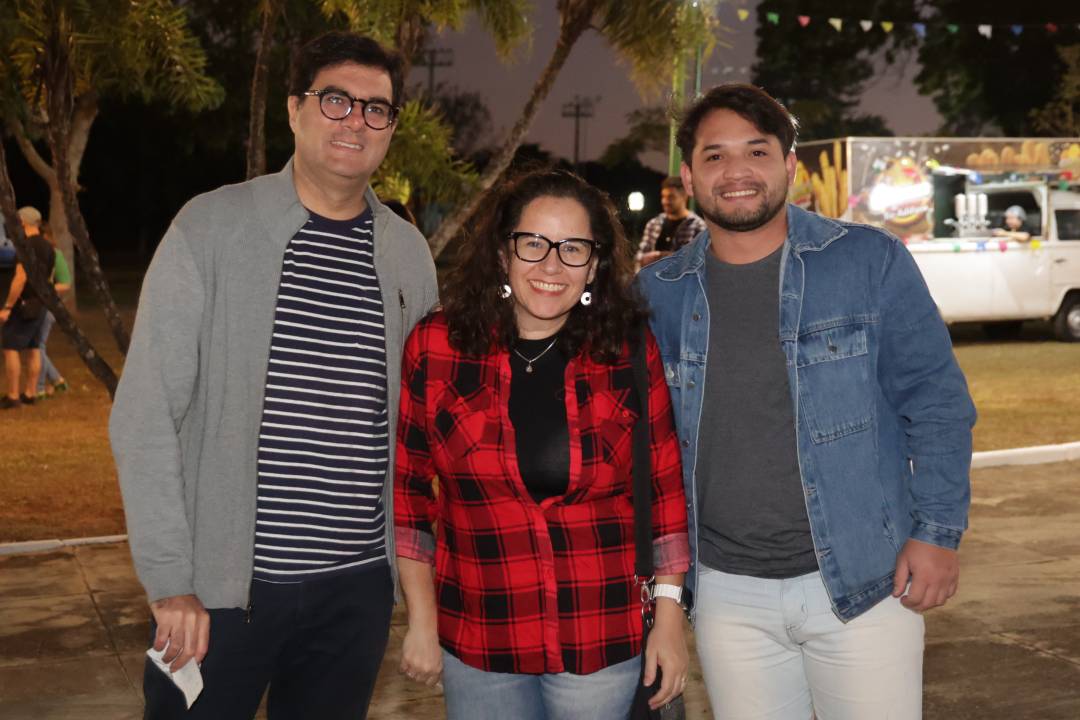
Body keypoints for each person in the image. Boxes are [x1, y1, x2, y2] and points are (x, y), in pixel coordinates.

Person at [109, 32, 438, 720]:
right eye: (336, 100)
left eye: (376, 109)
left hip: (354, 592)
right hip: (222, 593)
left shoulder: (406, 254)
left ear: (391, 128)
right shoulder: (212, 227)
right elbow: (144, 414)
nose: (355, 121)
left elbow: (418, 429)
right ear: (294, 109)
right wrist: (170, 582)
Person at [637, 83, 976, 720]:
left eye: (757, 151)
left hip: (864, 581)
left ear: (790, 164)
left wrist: (937, 533)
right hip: (727, 594)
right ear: (687, 176)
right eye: (714, 156)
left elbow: (937, 403)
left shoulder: (868, 261)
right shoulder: (659, 292)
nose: (736, 171)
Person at [394, 169, 691, 720]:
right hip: (480, 634)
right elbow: (409, 497)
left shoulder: (624, 349)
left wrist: (670, 620)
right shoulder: (437, 347)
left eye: (573, 248)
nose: (552, 265)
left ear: (594, 265)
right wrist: (422, 619)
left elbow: (664, 490)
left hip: (599, 634)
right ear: (502, 253)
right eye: (533, 243)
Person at [0, 206, 55, 410]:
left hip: (24, 304)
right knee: (34, 348)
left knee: (10, 348)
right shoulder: (48, 246)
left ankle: (13, 396)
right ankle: (30, 393)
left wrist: (7, 306)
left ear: (22, 222)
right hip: (41, 303)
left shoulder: (25, 246)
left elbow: (20, 278)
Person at [636, 177, 706, 269]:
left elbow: (701, 262)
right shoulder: (654, 223)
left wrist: (663, 256)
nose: (665, 201)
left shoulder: (697, 226)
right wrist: (647, 258)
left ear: (684, 196)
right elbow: (640, 256)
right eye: (663, 197)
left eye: (671, 197)